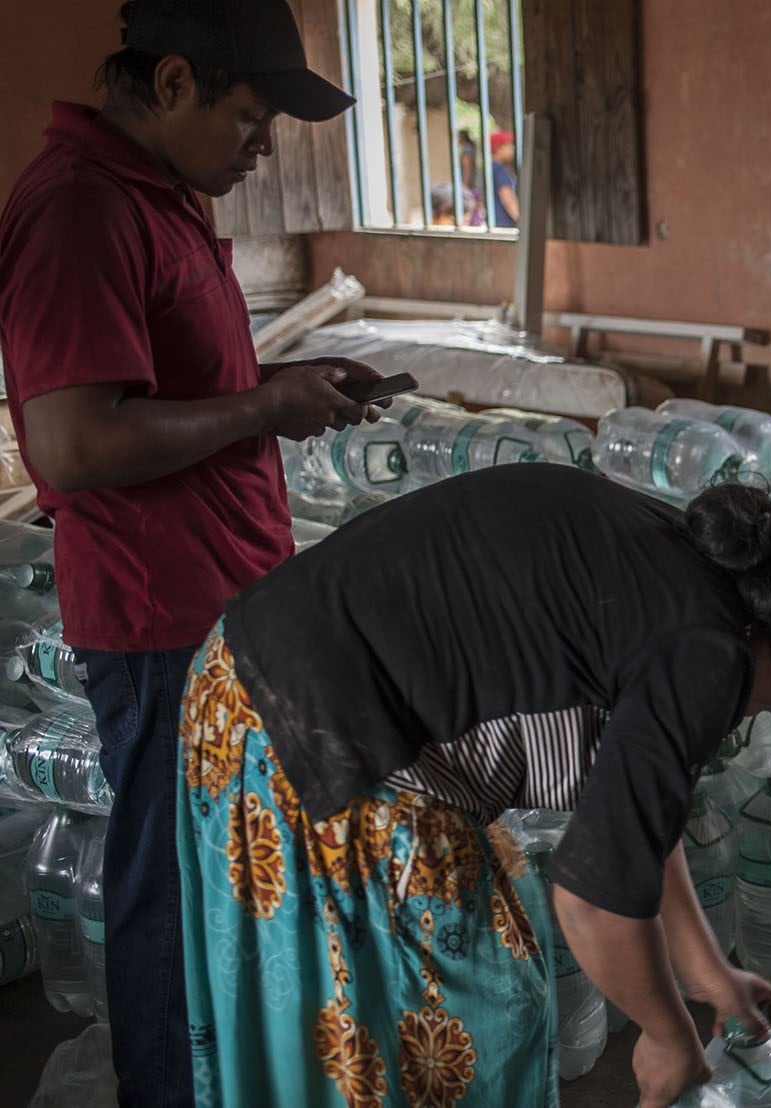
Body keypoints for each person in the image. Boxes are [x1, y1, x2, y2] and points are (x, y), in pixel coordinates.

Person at [176, 468, 771, 1106]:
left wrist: (707, 975)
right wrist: (667, 1038)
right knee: (480, 1022)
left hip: (256, 686)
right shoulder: (704, 650)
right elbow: (594, 900)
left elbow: (633, 821)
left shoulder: (697, 578)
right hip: (307, 737)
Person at [0, 3, 378, 1101]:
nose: (261, 153)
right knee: (172, 893)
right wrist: (261, 405)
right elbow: (72, 445)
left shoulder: (156, 199)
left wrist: (277, 400)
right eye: (250, 121)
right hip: (162, 622)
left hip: (219, 605)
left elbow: (182, 394)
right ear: (173, 84)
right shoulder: (80, 212)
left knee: (227, 884)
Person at [489, 127, 520, 228]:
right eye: (508, 146)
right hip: (505, 224)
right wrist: (520, 221)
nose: (512, 149)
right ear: (498, 148)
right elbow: (507, 199)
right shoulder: (500, 170)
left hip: (494, 223)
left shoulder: (489, 168)